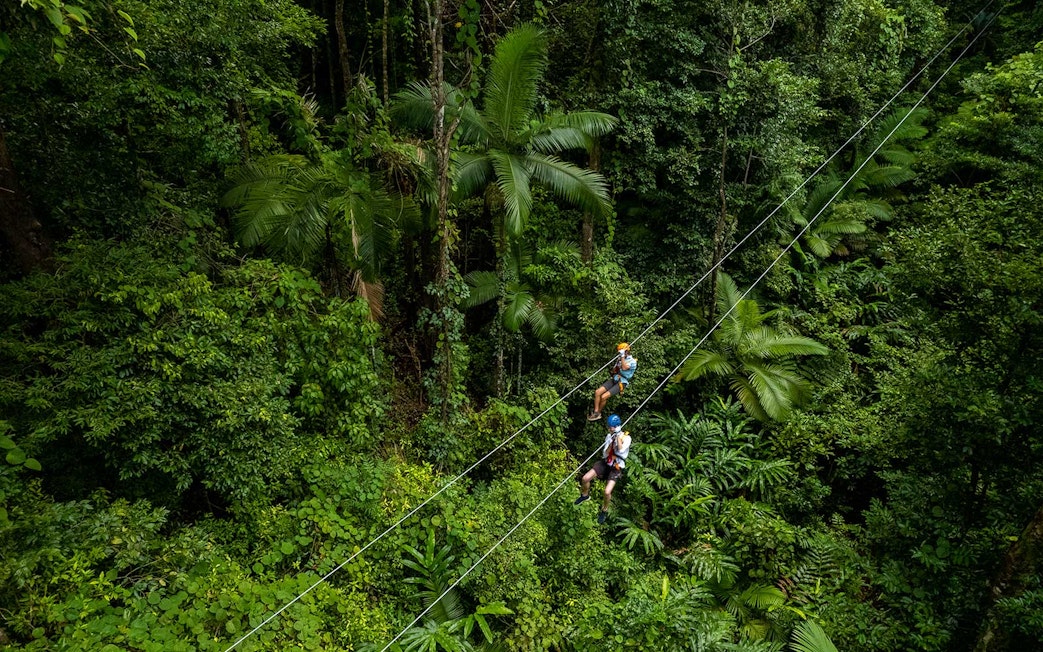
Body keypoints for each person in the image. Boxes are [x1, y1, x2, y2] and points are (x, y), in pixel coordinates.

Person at [574, 414, 631, 524]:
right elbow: (605, 453)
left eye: (612, 427)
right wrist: (610, 443)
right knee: (585, 478)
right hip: (606, 462)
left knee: (607, 491)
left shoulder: (626, 437)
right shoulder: (609, 436)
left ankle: (604, 510)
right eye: (609, 427)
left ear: (617, 426)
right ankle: (584, 496)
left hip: (616, 467)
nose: (609, 429)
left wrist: (618, 438)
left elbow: (621, 450)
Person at [588, 342, 636, 421]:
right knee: (597, 392)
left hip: (622, 382)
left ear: (627, 351)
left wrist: (622, 357)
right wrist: (616, 365)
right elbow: (615, 370)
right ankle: (596, 412)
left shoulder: (633, 361)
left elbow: (624, 368)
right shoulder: (619, 359)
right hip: (615, 378)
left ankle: (599, 413)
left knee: (603, 397)